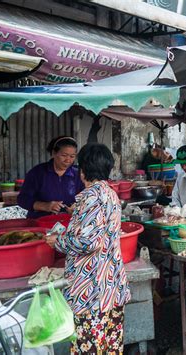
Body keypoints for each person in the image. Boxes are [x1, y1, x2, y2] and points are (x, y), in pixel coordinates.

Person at [45, 143, 130, 354]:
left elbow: (87, 242)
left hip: (91, 292)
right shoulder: (110, 194)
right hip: (111, 286)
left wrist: (57, 240)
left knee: (89, 348)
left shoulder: (91, 197)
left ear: (82, 170)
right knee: (110, 347)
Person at [18, 136, 84, 218]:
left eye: (72, 156)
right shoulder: (37, 173)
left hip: (69, 223)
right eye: (64, 155)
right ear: (53, 153)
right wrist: (45, 206)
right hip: (39, 223)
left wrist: (77, 207)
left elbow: (86, 197)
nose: (68, 160)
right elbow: (22, 199)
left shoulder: (78, 175)